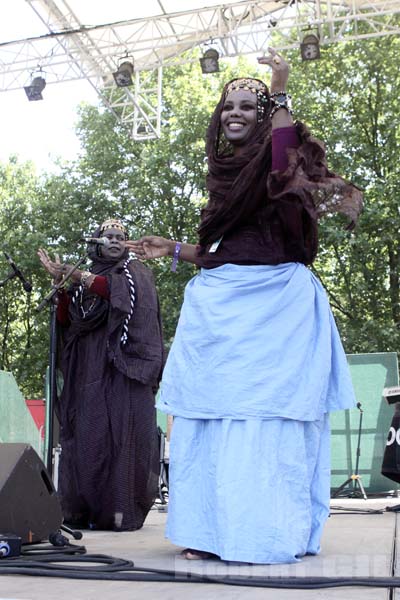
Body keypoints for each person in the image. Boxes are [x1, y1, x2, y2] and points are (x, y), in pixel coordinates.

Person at [127, 48, 363, 563]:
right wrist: (173, 250)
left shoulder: (278, 163)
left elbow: (284, 166)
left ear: (261, 120)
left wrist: (278, 89)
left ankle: (265, 532)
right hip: (221, 308)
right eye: (228, 106)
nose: (235, 113)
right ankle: (212, 533)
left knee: (266, 421)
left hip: (277, 308)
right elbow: (226, 252)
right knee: (210, 421)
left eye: (247, 108)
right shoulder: (223, 180)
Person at [38, 218, 164, 531]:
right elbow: (72, 321)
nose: (114, 240)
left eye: (120, 236)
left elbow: (118, 296)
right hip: (88, 372)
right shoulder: (86, 279)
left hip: (122, 371)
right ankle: (83, 511)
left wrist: (79, 276)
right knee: (86, 439)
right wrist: (62, 292)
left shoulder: (135, 273)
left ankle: (119, 512)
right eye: (108, 235)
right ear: (96, 241)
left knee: (121, 440)